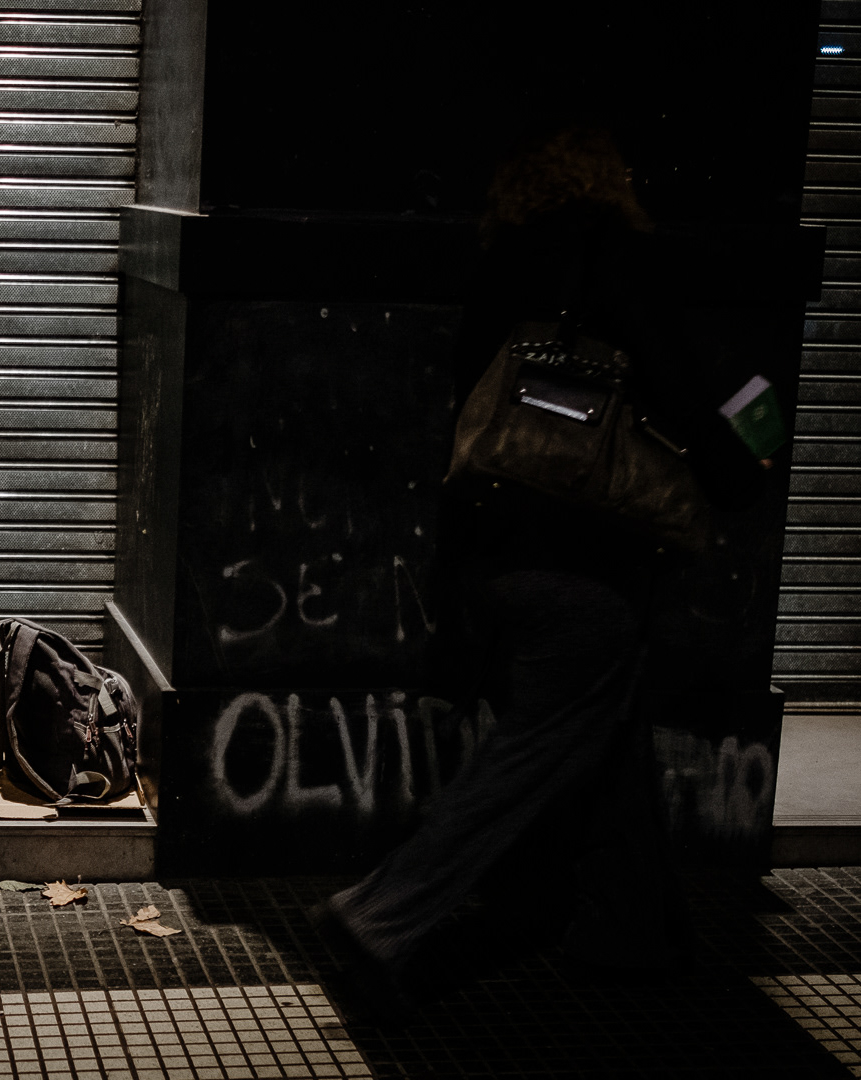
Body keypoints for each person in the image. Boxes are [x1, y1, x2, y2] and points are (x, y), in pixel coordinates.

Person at [317, 126, 764, 1017]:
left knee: (607, 737)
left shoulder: (497, 278)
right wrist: (744, 465)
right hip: (587, 565)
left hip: (495, 560)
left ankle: (632, 935)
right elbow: (687, 388)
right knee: (533, 752)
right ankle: (379, 914)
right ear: (609, 184)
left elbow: (463, 426)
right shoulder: (618, 264)